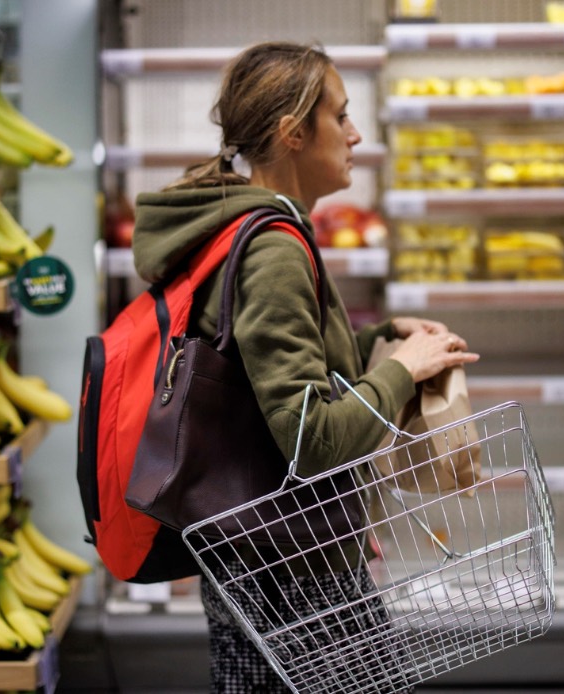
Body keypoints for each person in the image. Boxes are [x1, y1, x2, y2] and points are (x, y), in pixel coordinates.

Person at [130, 41, 480, 693]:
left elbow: (247, 365)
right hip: (289, 566)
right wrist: (402, 368)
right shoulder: (271, 250)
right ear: (293, 133)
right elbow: (309, 442)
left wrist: (379, 337)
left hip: (253, 548)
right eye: (340, 117)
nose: (355, 134)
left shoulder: (236, 223)